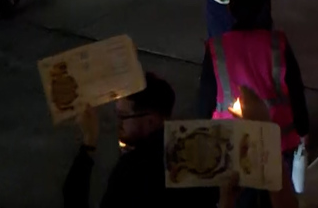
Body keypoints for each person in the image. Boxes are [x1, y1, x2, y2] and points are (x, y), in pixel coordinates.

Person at [199, 0, 310, 181]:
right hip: (276, 139)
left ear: (230, 10)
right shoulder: (277, 43)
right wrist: (302, 129)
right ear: (261, 8)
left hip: (230, 140)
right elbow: (295, 90)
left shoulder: (217, 48)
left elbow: (206, 99)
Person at [64, 74, 213, 208]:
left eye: (124, 116)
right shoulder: (197, 157)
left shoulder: (133, 169)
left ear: (150, 121)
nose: (119, 123)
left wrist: (89, 141)